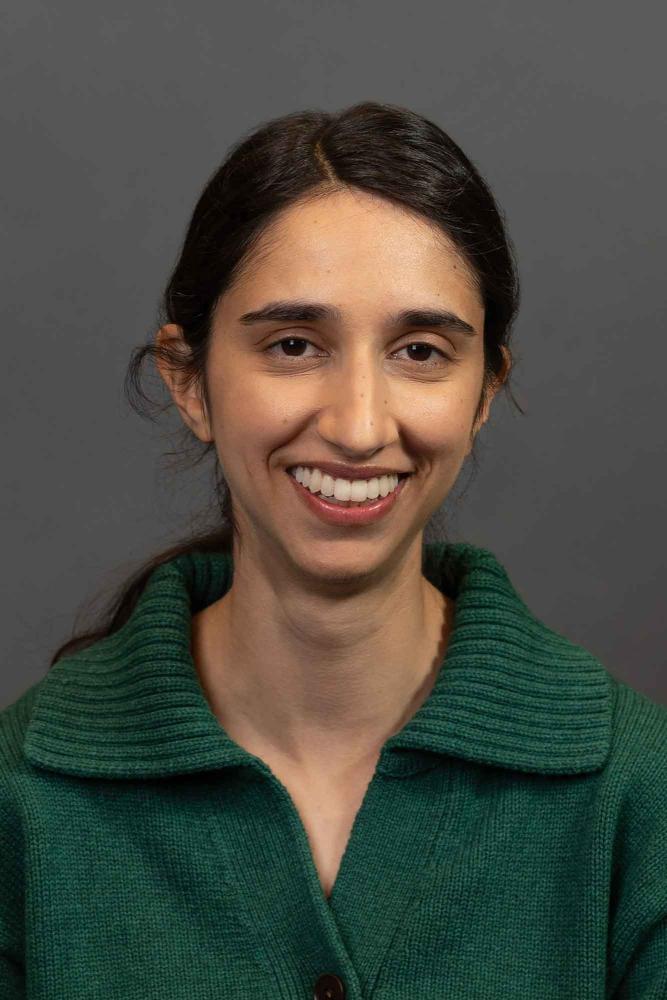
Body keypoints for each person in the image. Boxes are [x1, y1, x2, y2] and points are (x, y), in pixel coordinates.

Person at [1, 101, 666, 999]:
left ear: (482, 393)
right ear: (189, 381)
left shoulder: (638, 792)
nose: (358, 425)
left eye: (421, 351)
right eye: (292, 344)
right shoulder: (20, 800)